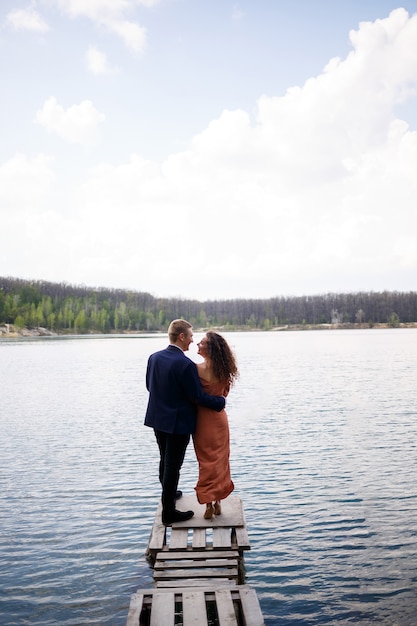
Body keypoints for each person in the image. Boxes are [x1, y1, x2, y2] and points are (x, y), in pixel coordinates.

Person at [144, 319, 226, 526]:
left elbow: (149, 387)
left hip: (157, 419)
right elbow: (196, 396)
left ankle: (169, 494)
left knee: (164, 460)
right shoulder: (185, 364)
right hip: (178, 422)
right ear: (181, 336)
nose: (192, 340)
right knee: (173, 466)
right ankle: (169, 513)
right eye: (190, 336)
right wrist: (219, 402)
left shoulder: (154, 358)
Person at [193, 331, 239, 520]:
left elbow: (194, 395)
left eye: (201, 343)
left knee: (206, 462)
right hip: (219, 420)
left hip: (202, 421)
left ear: (209, 348)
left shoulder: (195, 369)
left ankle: (209, 504)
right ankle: (218, 501)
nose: (197, 344)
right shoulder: (224, 370)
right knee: (220, 461)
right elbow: (224, 394)